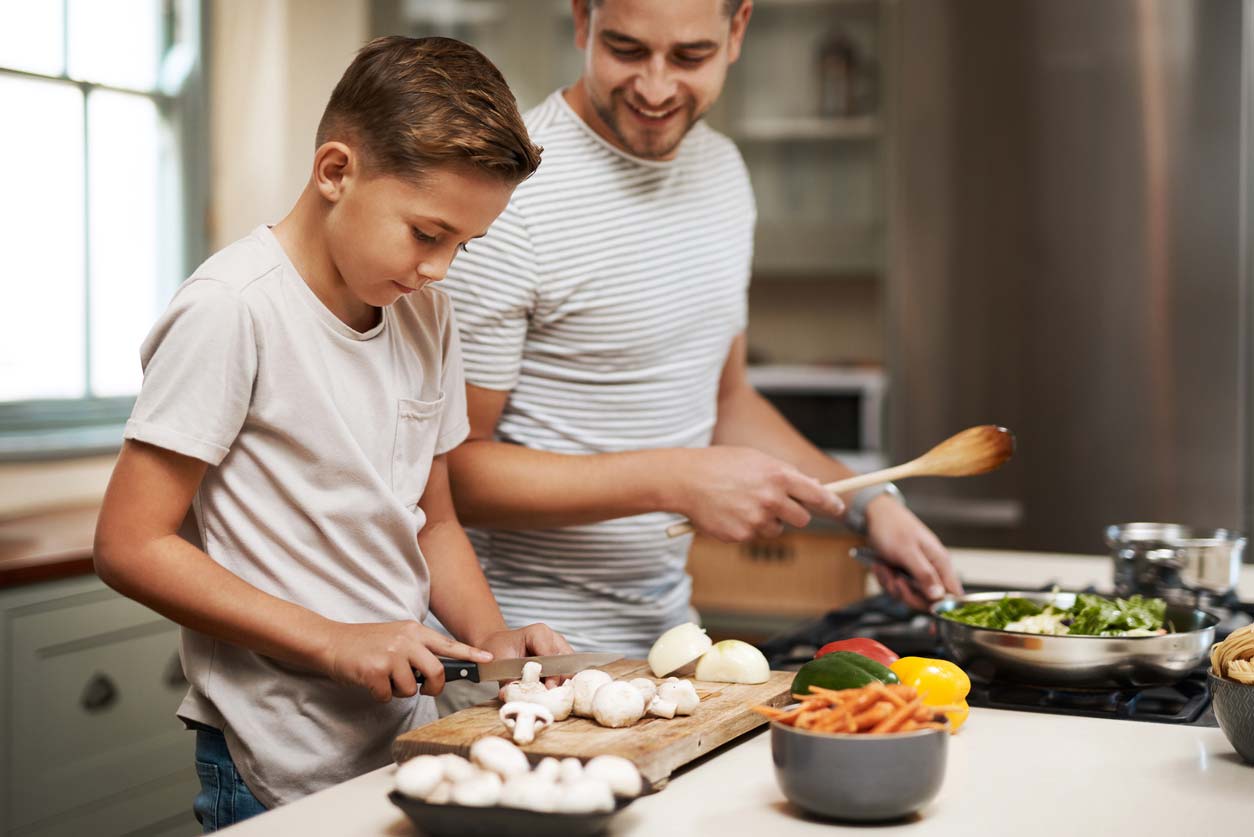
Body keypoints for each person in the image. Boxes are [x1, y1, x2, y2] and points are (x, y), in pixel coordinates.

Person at [92, 36, 570, 830]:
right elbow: (129, 544)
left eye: (465, 244)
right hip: (266, 751)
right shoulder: (232, 308)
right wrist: (332, 640)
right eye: (427, 233)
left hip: (405, 739)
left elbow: (436, 519)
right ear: (336, 172)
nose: (442, 267)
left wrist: (492, 638)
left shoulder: (426, 311)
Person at [439, 0, 962, 667]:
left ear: (738, 29)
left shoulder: (723, 174)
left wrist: (868, 504)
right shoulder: (510, 198)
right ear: (581, 20)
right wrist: (677, 479)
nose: (656, 88)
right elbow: (453, 473)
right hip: (519, 653)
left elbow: (728, 403)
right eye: (627, 50)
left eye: (690, 56)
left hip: (670, 643)